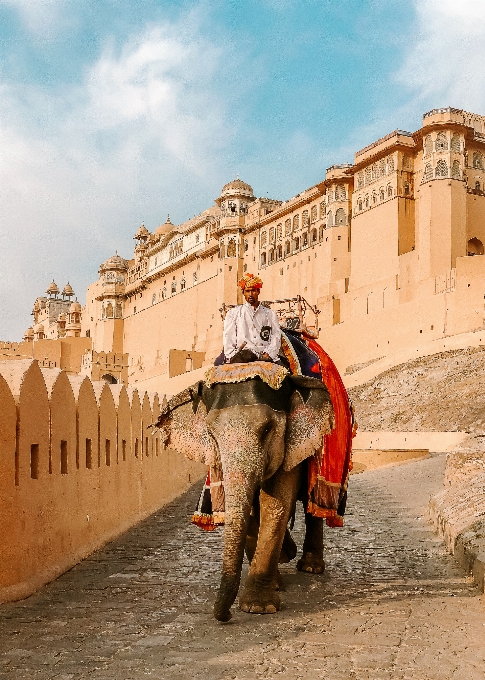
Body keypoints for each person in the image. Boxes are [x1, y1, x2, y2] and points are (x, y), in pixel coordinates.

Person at [221, 273, 281, 364]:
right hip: (242, 357)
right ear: (243, 293)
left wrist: (268, 354)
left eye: (253, 291)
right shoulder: (233, 314)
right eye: (247, 291)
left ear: (258, 291)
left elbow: (276, 337)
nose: (250, 294)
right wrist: (233, 356)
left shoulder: (270, 314)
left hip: (266, 357)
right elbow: (228, 337)